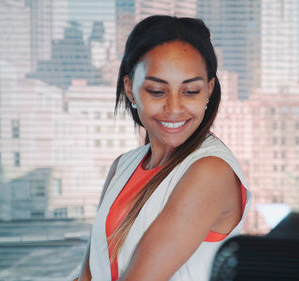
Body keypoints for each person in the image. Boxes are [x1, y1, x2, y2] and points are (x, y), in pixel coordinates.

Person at [76, 15, 252, 281]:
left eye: (190, 91)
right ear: (130, 89)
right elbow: (90, 274)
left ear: (209, 90)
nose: (174, 108)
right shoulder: (123, 165)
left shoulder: (210, 172)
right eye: (157, 91)